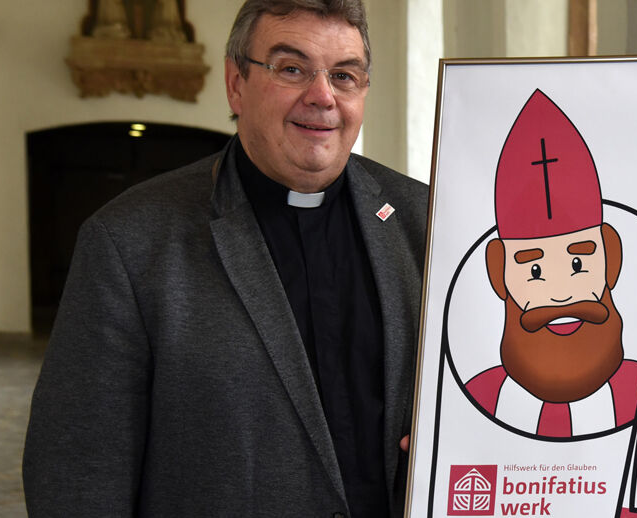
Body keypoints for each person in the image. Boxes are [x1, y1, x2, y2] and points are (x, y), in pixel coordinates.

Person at [23, 1, 426, 516]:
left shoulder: (423, 219)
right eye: (292, 69)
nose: (322, 96)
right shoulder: (129, 242)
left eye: (344, 75)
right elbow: (77, 474)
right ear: (236, 83)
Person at [465, 90, 637, 438]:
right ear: (498, 273)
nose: (560, 296)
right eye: (535, 272)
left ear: (611, 258)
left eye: (578, 263)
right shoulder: (476, 400)